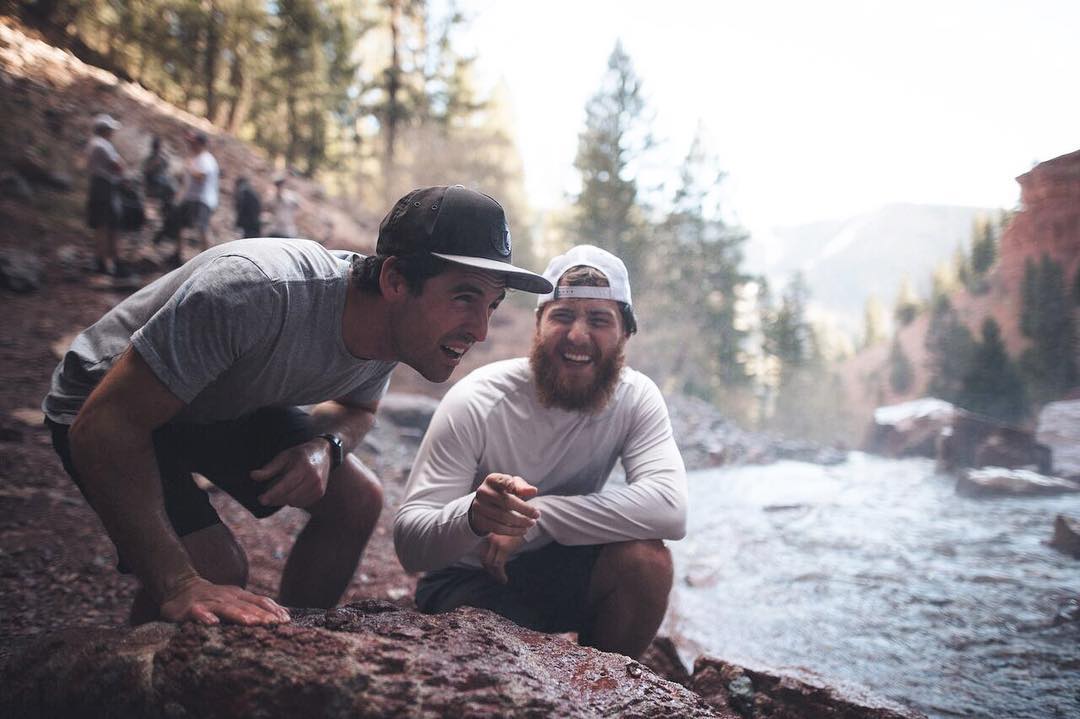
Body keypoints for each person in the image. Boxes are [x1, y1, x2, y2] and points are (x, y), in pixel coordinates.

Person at [42, 184, 552, 628]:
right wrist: (176, 582)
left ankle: (286, 645)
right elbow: (105, 426)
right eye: (464, 297)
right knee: (214, 571)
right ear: (396, 281)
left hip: (218, 402)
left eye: (491, 304)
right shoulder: (255, 292)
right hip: (105, 399)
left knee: (356, 499)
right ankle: (131, 672)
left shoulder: (393, 330)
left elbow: (359, 412)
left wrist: (324, 447)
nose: (481, 330)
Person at [394, 245, 687, 659]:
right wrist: (476, 515)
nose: (578, 335)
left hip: (560, 569)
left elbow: (670, 509)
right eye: (563, 316)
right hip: (466, 580)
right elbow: (410, 546)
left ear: (625, 334)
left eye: (599, 320)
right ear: (538, 325)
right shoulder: (478, 398)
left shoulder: (635, 397)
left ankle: (605, 693)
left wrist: (535, 519)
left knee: (647, 562)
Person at [157, 130, 219, 265]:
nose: (190, 145)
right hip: (190, 198)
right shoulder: (195, 158)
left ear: (200, 144)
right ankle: (178, 254)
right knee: (179, 224)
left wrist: (190, 167)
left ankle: (211, 260)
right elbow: (186, 181)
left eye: (193, 143)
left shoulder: (206, 159)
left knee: (202, 228)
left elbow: (201, 177)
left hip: (203, 200)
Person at [84, 113, 128, 277]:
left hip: (96, 185)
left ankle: (101, 260)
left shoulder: (92, 144)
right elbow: (118, 165)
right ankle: (116, 261)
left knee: (100, 226)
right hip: (106, 187)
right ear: (105, 130)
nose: (113, 133)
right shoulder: (103, 145)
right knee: (112, 225)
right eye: (110, 130)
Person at [142, 135, 175, 224]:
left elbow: (166, 169)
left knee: (156, 204)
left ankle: (157, 220)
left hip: (160, 186)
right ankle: (149, 222)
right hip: (153, 186)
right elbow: (145, 171)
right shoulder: (151, 158)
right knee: (151, 205)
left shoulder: (161, 158)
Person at [267, 173, 300, 238]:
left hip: (288, 229)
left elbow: (299, 208)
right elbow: (269, 208)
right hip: (276, 228)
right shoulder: (273, 197)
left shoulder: (290, 196)